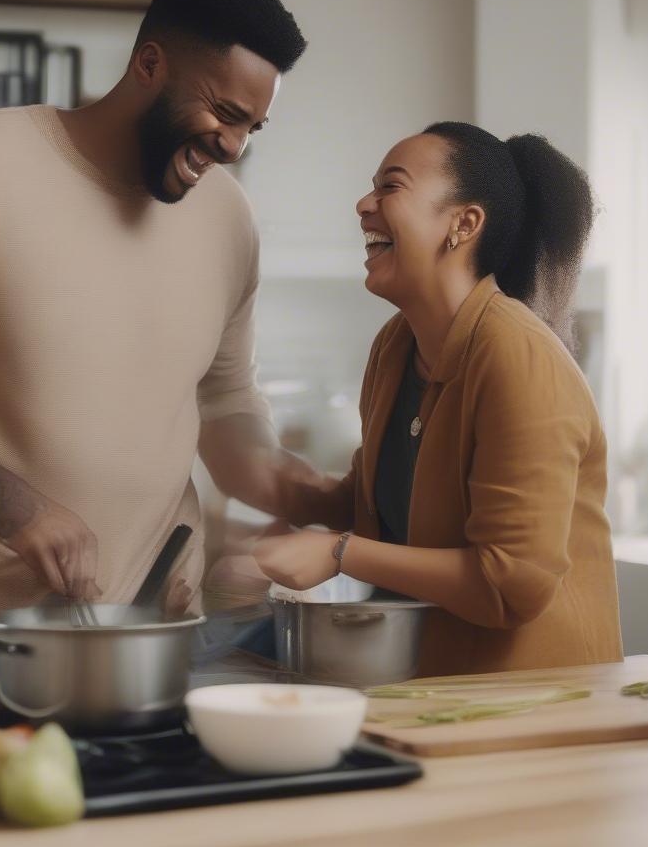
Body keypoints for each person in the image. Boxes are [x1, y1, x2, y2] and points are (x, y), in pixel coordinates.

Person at [0, 0, 316, 693]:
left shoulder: (227, 219)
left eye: (252, 126)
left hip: (158, 647)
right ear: (150, 64)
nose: (234, 146)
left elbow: (225, 397)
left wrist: (299, 488)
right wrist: (10, 502)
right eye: (225, 112)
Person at [254, 122, 623, 676]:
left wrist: (337, 552)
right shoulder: (395, 347)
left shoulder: (519, 358)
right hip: (442, 691)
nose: (363, 204)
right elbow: (383, 507)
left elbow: (511, 583)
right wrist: (285, 490)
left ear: (463, 223)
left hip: (542, 705)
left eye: (390, 188)